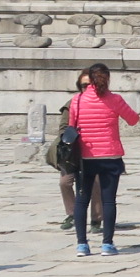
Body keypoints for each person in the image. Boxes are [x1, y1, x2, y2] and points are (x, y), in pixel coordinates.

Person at [69, 64, 139, 257]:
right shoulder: (115, 99)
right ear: (107, 79)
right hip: (110, 155)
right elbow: (133, 120)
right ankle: (107, 244)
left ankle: (82, 244)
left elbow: (71, 127)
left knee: (81, 201)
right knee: (108, 201)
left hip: (85, 156)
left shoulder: (78, 100)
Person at [53, 70, 91, 227]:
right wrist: (70, 137)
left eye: (91, 85)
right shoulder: (72, 104)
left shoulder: (102, 103)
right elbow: (63, 127)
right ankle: (72, 213)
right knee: (65, 182)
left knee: (95, 184)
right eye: (84, 85)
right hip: (72, 152)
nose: (87, 88)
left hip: (93, 150)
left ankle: (97, 218)